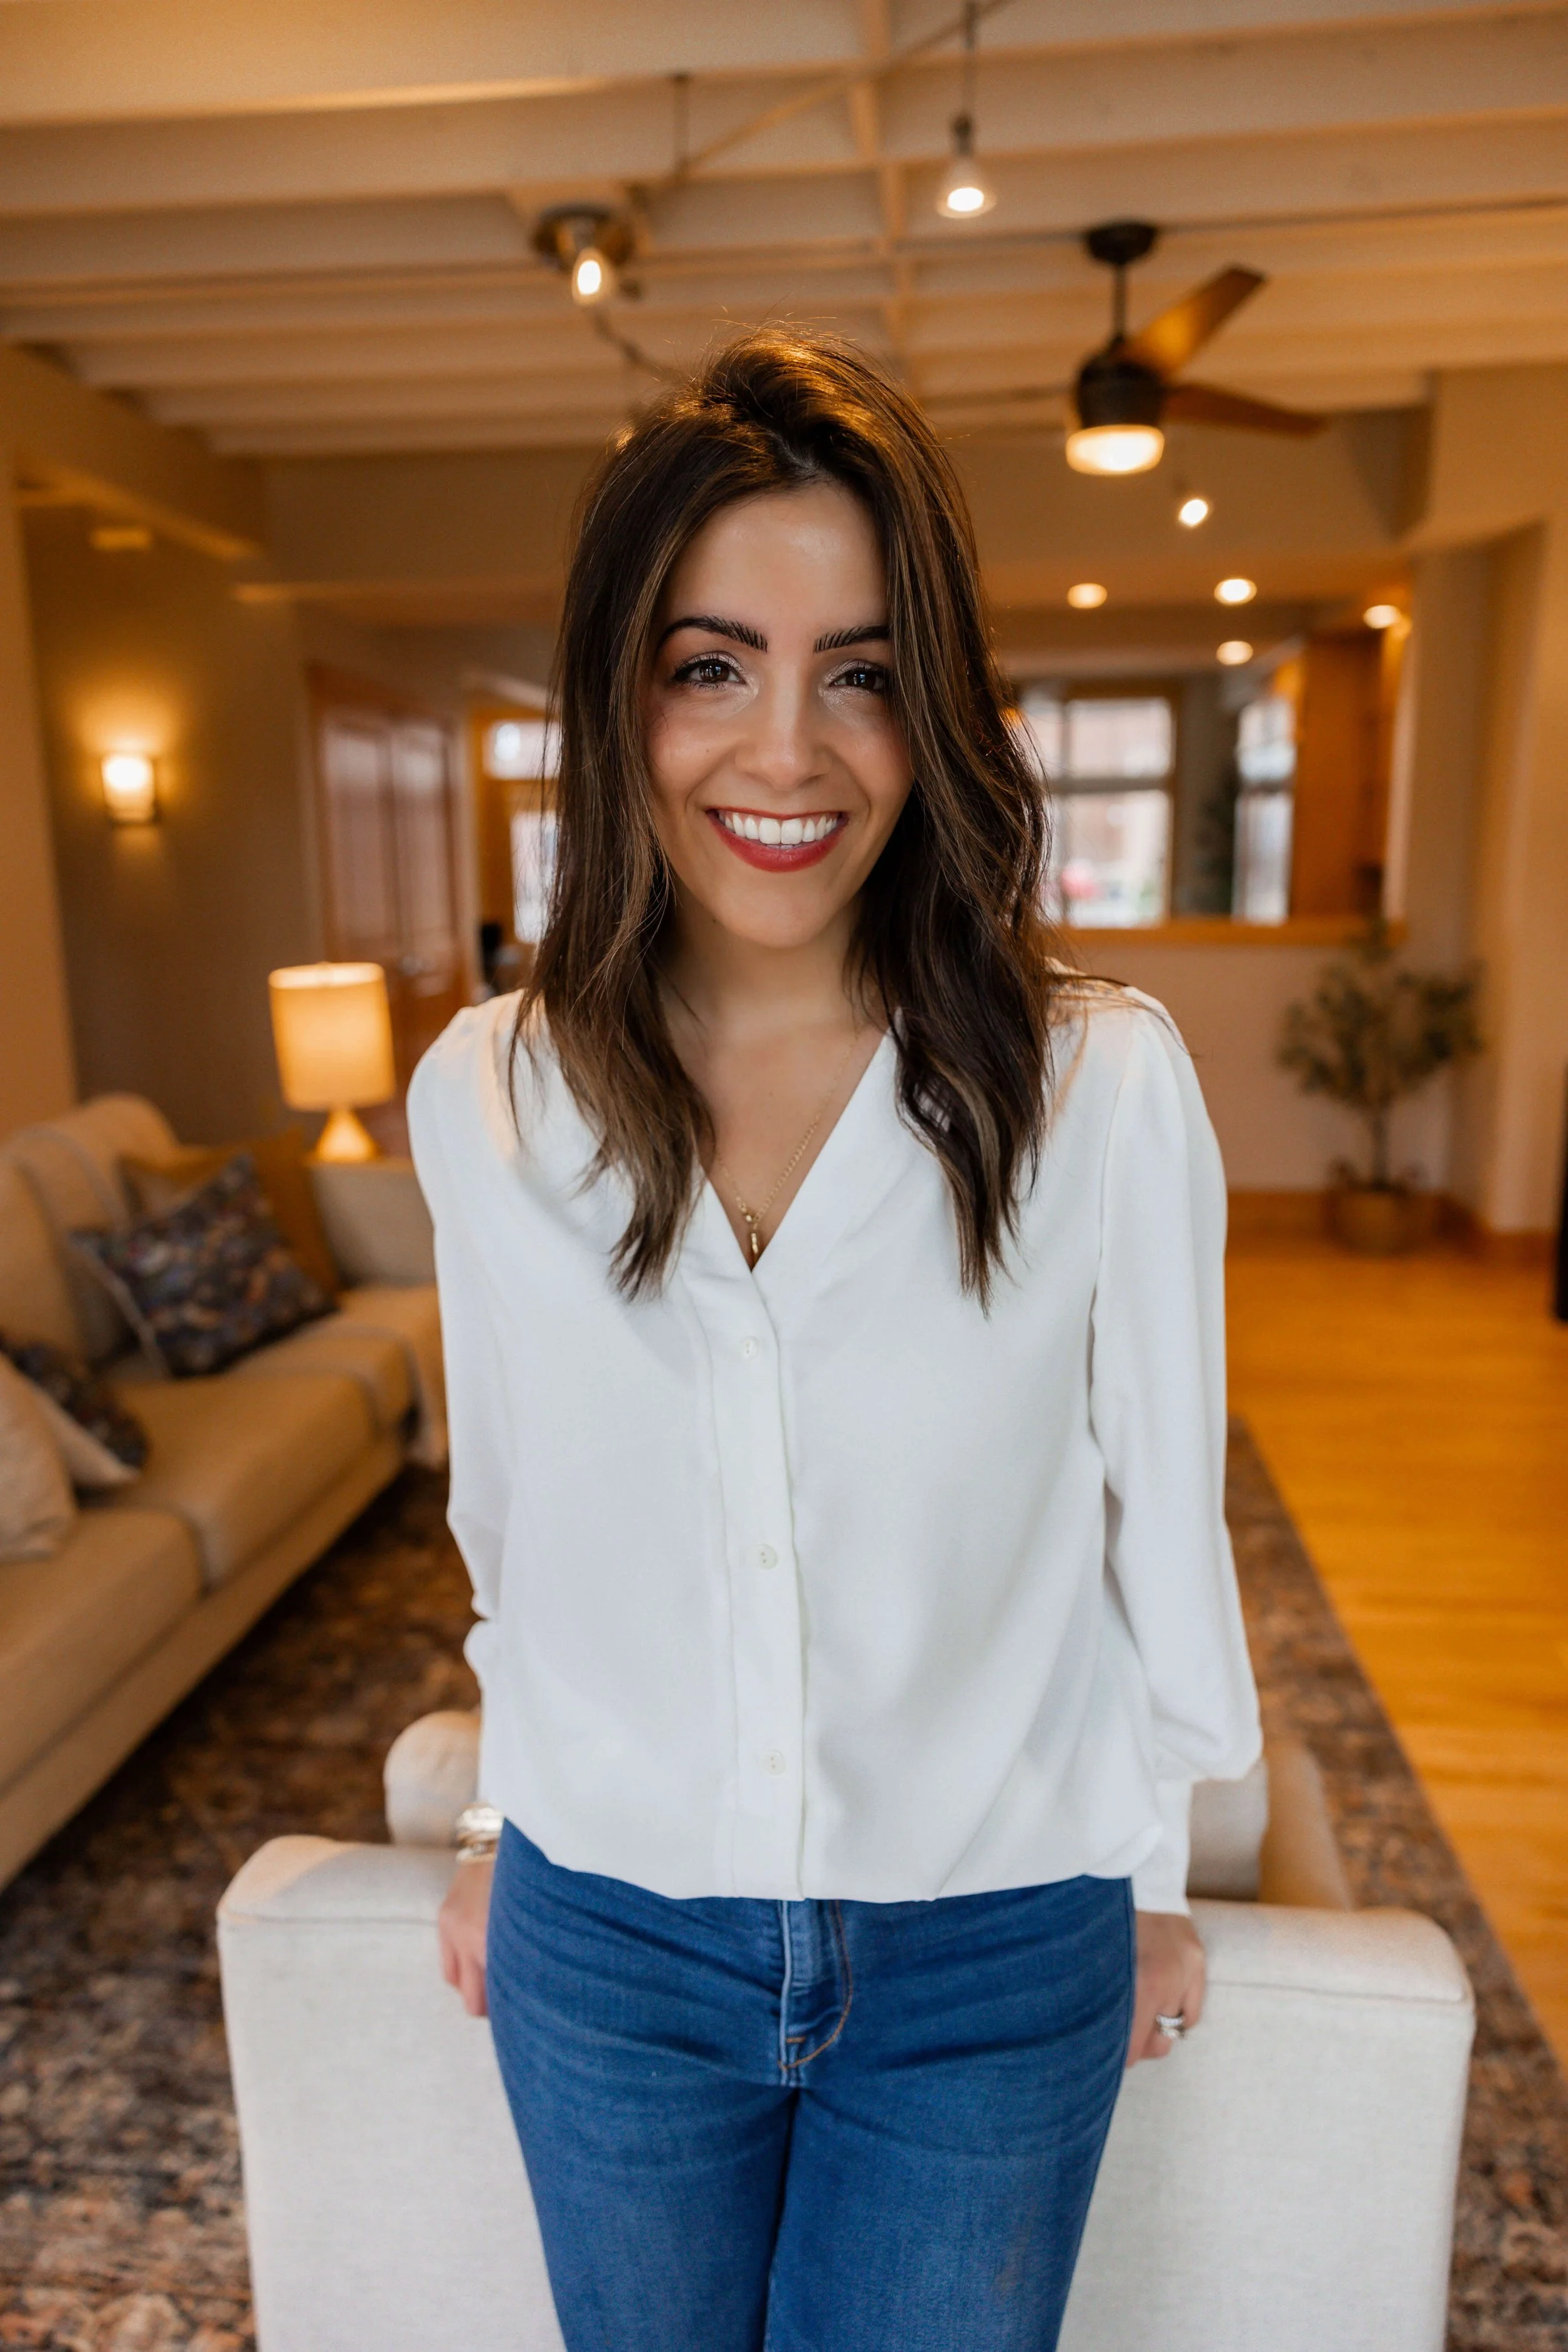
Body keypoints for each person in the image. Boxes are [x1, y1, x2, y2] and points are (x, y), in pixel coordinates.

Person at [408, 329, 1260, 2352]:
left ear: (935, 707)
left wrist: (1151, 1867)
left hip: (993, 1959)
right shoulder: (489, 1095)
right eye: (712, 663)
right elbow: (516, 1523)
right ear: (618, 698)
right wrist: (491, 1827)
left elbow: (1162, 1515)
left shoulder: (1096, 1087)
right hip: (604, 1944)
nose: (784, 751)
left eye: (860, 671)